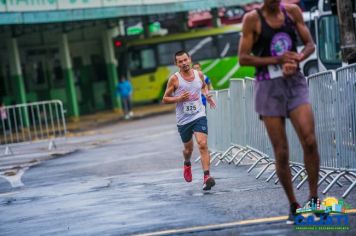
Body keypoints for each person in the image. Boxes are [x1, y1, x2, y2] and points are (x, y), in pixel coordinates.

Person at [238, 0, 320, 224]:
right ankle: (294, 204)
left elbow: (310, 44)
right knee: (281, 151)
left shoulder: (292, 12)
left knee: (309, 140)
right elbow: (243, 57)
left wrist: (297, 58)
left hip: (294, 82)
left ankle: (314, 199)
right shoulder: (252, 19)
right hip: (267, 87)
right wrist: (277, 59)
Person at [162, 50, 217, 191]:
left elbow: (203, 86)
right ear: (176, 64)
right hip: (183, 119)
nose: (184, 63)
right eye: (180, 61)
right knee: (188, 149)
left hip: (199, 114)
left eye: (185, 60)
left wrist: (207, 95)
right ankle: (187, 163)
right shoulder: (174, 79)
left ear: (190, 59)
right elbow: (165, 99)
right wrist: (178, 98)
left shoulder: (199, 74)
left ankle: (206, 177)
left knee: (203, 144)